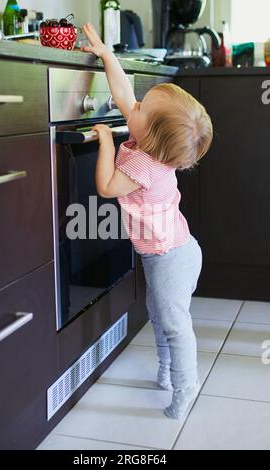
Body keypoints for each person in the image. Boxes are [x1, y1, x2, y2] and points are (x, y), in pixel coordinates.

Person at [81, 23, 213, 419]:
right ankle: (167, 371)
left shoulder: (144, 161)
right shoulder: (146, 136)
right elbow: (123, 93)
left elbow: (106, 186)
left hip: (171, 256)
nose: (132, 106)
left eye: (140, 109)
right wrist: (107, 55)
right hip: (169, 251)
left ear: (150, 136)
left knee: (174, 323)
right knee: (160, 315)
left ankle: (186, 387)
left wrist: (106, 139)